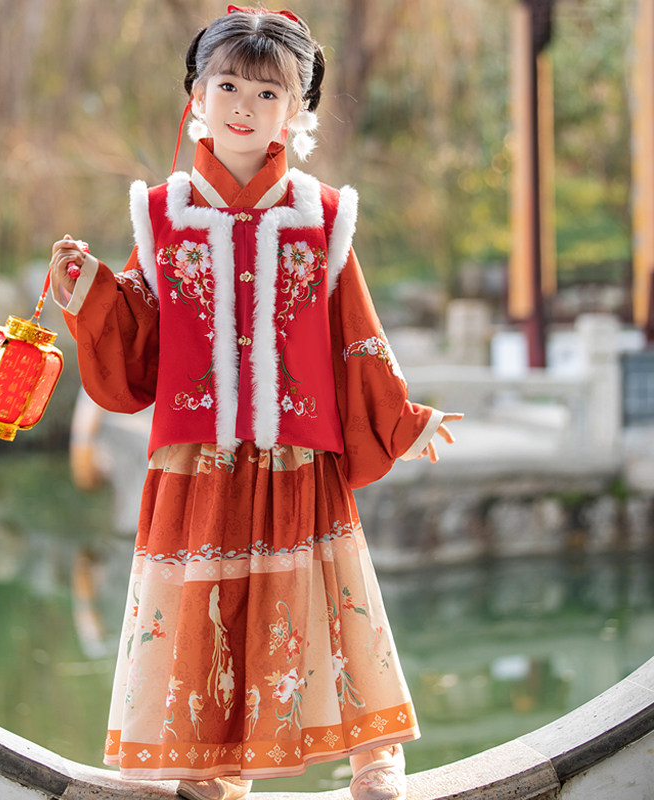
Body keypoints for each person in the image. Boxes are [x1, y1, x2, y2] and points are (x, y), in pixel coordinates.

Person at [49, 7, 461, 800]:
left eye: (268, 92)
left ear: (298, 110)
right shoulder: (162, 214)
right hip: (195, 453)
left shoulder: (323, 215)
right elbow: (138, 334)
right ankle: (215, 766)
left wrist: (402, 418)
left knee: (324, 594)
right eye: (227, 84)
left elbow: (356, 334)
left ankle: (375, 758)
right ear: (195, 96)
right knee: (209, 601)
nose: (243, 105)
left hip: (297, 451)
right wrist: (90, 291)